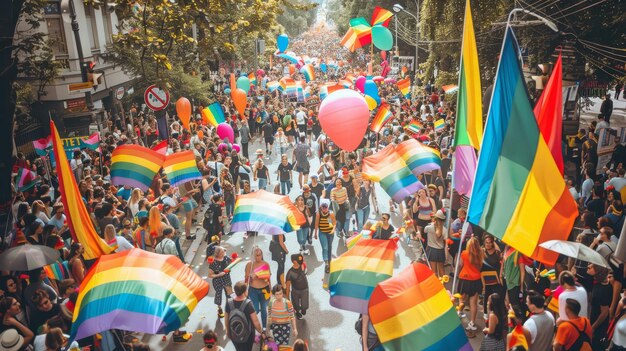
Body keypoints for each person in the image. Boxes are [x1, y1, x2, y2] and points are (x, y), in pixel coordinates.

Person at [225, 281, 264, 351]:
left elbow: (226, 319)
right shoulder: (248, 304)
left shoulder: (229, 303)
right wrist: (261, 332)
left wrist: (228, 331)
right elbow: (256, 322)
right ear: (244, 291)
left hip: (234, 333)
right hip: (248, 335)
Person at [459, 237, 483, 331]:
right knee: (473, 303)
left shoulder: (464, 253)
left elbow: (460, 265)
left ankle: (459, 312)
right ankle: (472, 322)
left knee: (462, 299)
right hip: (476, 280)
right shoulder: (480, 254)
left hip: (464, 278)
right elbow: (480, 267)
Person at [244, 246, 271, 329]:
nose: (258, 257)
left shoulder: (265, 264)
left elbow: (268, 278)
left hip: (264, 289)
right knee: (255, 309)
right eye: (256, 255)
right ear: (253, 256)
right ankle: (253, 326)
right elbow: (246, 279)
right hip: (253, 290)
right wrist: (250, 278)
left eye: (259, 255)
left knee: (263, 309)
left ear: (262, 254)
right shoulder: (249, 265)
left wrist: (270, 290)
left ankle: (263, 327)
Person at [587, 263, 612, 349]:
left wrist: (593, 327)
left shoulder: (601, 291)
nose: (589, 266)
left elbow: (604, 312)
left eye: (592, 267)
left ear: (598, 272)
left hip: (598, 326)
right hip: (595, 320)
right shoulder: (601, 284)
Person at [208, 246, 233, 319]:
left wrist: (233, 261)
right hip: (217, 281)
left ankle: (230, 309)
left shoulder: (226, 258)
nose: (224, 253)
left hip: (226, 278)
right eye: (222, 252)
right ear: (218, 253)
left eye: (224, 251)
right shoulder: (213, 262)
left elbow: (231, 262)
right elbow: (210, 275)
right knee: (219, 295)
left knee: (229, 294)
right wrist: (219, 274)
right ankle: (219, 309)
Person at [285, 254, 309, 320]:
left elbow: (305, 267)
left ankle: (303, 309)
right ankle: (297, 312)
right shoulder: (290, 273)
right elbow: (288, 286)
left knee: (305, 306)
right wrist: (287, 298)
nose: (301, 262)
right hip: (295, 291)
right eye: (299, 261)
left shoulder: (302, 265)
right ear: (294, 262)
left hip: (305, 289)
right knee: (296, 305)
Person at [424, 210, 447, 277]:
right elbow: (446, 243)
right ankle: (443, 285)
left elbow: (424, 231)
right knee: (441, 270)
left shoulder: (429, 227)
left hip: (431, 250)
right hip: (440, 251)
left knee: (433, 271)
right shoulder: (445, 230)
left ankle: (436, 286)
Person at [315, 201, 336, 273]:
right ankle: (326, 263)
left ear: (328, 207)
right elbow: (316, 224)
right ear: (321, 208)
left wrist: (333, 230)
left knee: (329, 248)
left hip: (330, 233)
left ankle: (330, 262)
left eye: (326, 207)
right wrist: (315, 233)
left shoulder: (331, 214)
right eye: (323, 208)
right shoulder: (318, 214)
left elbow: (334, 223)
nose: (325, 209)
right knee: (325, 247)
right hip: (322, 233)